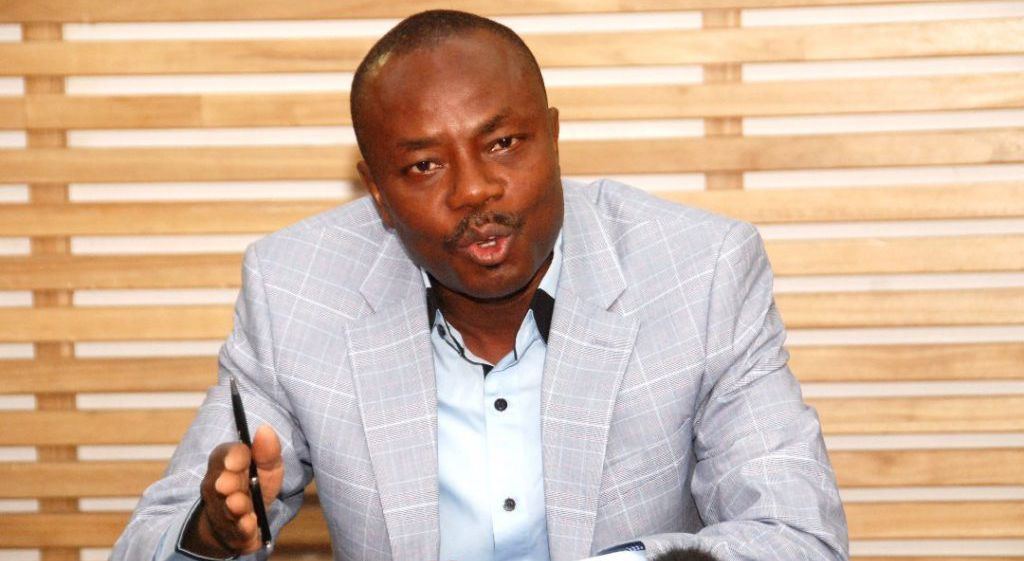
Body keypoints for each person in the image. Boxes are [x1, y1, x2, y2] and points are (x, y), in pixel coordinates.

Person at [112, 9, 848, 561]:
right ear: (378, 191)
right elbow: (150, 539)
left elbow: (797, 534)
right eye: (424, 165)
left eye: (502, 143)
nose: (473, 190)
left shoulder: (700, 272)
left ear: (552, 136)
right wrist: (209, 537)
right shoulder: (297, 291)